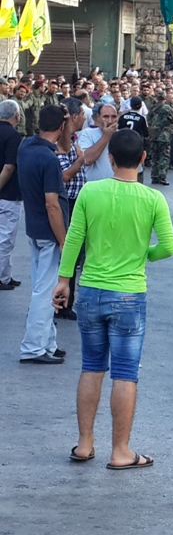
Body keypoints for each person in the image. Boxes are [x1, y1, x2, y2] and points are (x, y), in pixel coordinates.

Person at [53, 129, 173, 468]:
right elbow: (169, 246)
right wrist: (144, 255)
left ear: (109, 158)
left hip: (91, 290)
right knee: (125, 372)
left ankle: (84, 443)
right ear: (143, 159)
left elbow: (74, 240)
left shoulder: (92, 192)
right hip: (129, 295)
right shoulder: (153, 199)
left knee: (91, 366)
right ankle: (121, 450)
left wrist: (64, 280)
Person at [18, 105, 70, 364]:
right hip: (50, 233)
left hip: (34, 228)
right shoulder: (49, 159)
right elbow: (52, 204)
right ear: (61, 127)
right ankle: (34, 347)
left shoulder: (26, 146)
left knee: (42, 286)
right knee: (46, 291)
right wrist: (63, 241)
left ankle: (47, 343)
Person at [54, 99, 88, 321]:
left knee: (76, 256)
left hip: (77, 202)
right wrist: (81, 160)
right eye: (82, 113)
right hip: (67, 202)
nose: (85, 117)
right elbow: (65, 175)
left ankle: (67, 301)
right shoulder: (60, 143)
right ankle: (60, 303)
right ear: (73, 117)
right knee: (67, 254)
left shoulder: (74, 139)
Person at [0, 100, 22, 290]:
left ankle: (6, 275)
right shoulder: (13, 136)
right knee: (5, 238)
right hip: (7, 194)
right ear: (16, 115)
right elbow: (9, 166)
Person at [78, 103, 119, 183]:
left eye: (113, 117)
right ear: (98, 117)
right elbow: (87, 159)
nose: (110, 121)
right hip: (93, 187)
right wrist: (106, 136)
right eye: (106, 117)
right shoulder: (87, 134)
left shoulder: (122, 136)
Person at [148, 90, 173, 186]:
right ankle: (162, 177)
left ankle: (154, 176)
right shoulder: (167, 108)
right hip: (164, 135)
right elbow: (172, 119)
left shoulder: (153, 107)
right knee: (164, 156)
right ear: (165, 98)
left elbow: (149, 120)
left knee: (154, 156)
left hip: (153, 135)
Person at [117, 97, 149, 183]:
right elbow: (146, 134)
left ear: (130, 105)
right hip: (136, 144)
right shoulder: (141, 118)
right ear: (141, 106)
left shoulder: (123, 116)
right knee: (138, 166)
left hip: (122, 143)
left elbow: (118, 129)